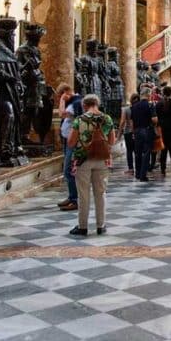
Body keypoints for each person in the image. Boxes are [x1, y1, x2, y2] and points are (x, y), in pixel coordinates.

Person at [67, 94, 116, 236]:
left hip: (83, 160)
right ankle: (101, 225)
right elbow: (111, 141)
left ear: (84, 105)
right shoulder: (107, 119)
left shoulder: (79, 120)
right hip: (102, 160)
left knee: (83, 194)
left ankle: (82, 227)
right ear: (97, 104)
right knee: (100, 193)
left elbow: (71, 142)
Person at [57, 87, 81, 211]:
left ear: (65, 93)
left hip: (73, 142)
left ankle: (74, 200)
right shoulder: (74, 102)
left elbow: (61, 114)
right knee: (69, 170)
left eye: (60, 95)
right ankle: (72, 197)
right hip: (69, 141)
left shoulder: (75, 103)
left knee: (68, 170)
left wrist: (61, 100)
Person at [131, 88, 158, 182]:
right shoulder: (150, 105)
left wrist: (133, 132)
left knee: (138, 153)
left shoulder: (134, 106)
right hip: (147, 130)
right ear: (149, 94)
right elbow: (154, 119)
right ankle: (143, 175)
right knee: (146, 153)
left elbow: (131, 121)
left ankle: (137, 173)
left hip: (137, 130)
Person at [120, 92, 138, 175]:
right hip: (138, 131)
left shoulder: (126, 109)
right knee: (137, 151)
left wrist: (119, 133)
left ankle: (131, 169)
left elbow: (123, 121)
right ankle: (139, 168)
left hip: (128, 132)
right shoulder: (139, 108)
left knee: (129, 151)